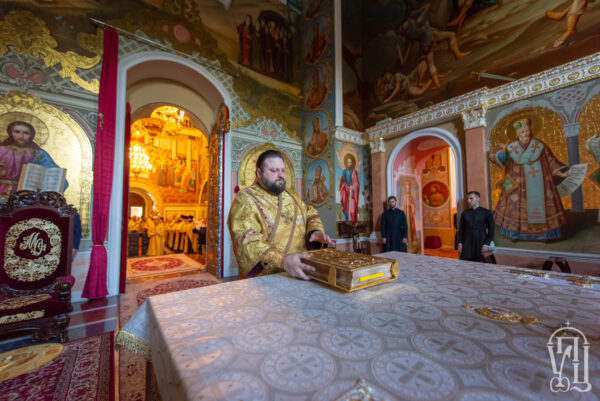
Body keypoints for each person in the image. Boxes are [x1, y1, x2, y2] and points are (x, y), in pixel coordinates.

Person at [228, 149, 334, 279]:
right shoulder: (245, 199)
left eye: (283, 170)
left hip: (300, 271)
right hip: (267, 278)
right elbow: (247, 241)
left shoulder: (292, 196)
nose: (281, 175)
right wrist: (283, 260)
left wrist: (315, 231)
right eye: (274, 170)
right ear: (259, 173)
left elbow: (310, 213)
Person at [490, 117, 570, 240]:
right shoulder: (511, 147)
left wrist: (562, 173)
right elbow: (501, 160)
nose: (525, 134)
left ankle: (545, 234)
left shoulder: (539, 145)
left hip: (541, 184)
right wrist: (503, 152)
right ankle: (516, 234)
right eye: (522, 132)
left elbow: (551, 161)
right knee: (517, 207)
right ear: (517, 134)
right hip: (518, 185)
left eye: (527, 131)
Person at [0, 121, 67, 202]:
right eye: (17, 132)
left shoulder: (39, 154)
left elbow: (57, 176)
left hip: (27, 198)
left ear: (31, 136)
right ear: (11, 133)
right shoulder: (1, 150)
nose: (21, 136)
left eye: (26, 133)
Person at [457, 191, 494, 261]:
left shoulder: (487, 212)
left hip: (481, 242)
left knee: (480, 263)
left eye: (471, 198)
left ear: (478, 199)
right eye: (467, 199)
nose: (468, 201)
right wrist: (460, 243)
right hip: (467, 242)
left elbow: (491, 231)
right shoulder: (465, 213)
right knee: (465, 262)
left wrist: (486, 244)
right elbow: (461, 229)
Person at [339, 154, 359, 221]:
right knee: (346, 207)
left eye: (350, 162)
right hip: (346, 192)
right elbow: (342, 181)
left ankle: (352, 222)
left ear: (352, 163)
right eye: (348, 162)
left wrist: (353, 187)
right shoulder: (344, 171)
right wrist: (342, 181)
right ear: (346, 163)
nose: (349, 164)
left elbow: (356, 184)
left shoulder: (354, 172)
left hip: (352, 194)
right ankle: (347, 221)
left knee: (352, 209)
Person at [401, 180, 417, 247]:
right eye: (406, 188)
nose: (407, 189)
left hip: (410, 214)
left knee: (411, 226)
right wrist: (402, 210)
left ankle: (413, 240)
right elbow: (403, 205)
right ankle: (407, 240)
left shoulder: (411, 196)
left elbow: (413, 205)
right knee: (406, 226)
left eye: (408, 188)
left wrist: (411, 204)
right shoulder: (405, 196)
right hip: (406, 213)